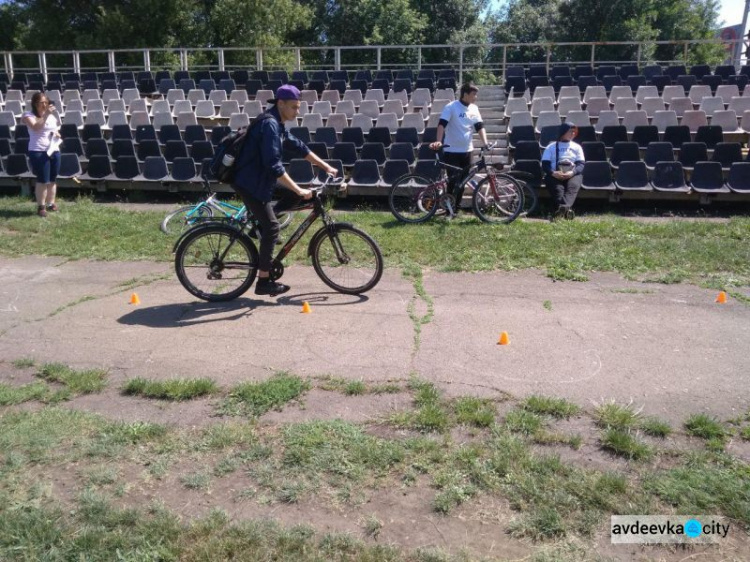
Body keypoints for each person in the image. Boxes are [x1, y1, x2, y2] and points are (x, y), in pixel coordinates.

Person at [233, 84, 338, 297]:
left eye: (298, 107)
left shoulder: (277, 123)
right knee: (272, 227)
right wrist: (299, 189)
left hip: (261, 179)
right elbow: (274, 165)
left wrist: (325, 166)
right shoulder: (270, 125)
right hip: (250, 182)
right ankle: (263, 282)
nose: (297, 112)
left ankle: (258, 228)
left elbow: (298, 146)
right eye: (293, 107)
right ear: (280, 104)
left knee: (289, 196)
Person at [429, 82, 488, 213]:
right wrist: (439, 141)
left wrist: (485, 142)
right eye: (474, 94)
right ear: (465, 94)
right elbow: (441, 124)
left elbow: (479, 126)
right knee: (453, 181)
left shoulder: (474, 108)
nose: (476, 97)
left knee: (462, 182)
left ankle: (455, 208)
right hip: (452, 151)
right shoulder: (451, 107)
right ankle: (448, 208)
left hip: (468, 151)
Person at [22, 92, 62, 217]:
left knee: (52, 178)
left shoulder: (52, 116)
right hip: (38, 151)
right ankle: (41, 206)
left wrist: (57, 133)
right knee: (43, 180)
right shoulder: (28, 115)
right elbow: (35, 127)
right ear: (35, 104)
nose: (44, 105)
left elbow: (55, 129)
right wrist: (46, 115)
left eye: (46, 102)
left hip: (53, 149)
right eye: (41, 102)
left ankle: (51, 203)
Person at [541, 122, 585, 220]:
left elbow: (581, 164)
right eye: (570, 131)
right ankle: (567, 211)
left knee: (572, 188)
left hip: (573, 174)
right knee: (558, 189)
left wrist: (572, 173)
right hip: (554, 174)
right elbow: (545, 165)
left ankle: (562, 209)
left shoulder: (577, 147)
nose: (573, 134)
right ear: (563, 132)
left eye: (574, 132)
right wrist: (553, 173)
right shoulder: (551, 147)